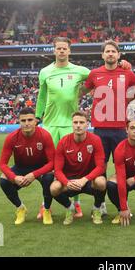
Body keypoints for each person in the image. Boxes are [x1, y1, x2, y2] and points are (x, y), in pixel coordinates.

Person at [82, 40, 135, 216]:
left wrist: (125, 101)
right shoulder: (94, 74)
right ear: (102, 55)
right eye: (107, 51)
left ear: (119, 55)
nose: (111, 54)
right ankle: (100, 204)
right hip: (100, 129)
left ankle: (123, 203)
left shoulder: (127, 73)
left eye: (114, 51)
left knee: (122, 167)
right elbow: (83, 90)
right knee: (101, 167)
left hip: (120, 128)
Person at [36, 36, 90, 218]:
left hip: (70, 124)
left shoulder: (79, 70)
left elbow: (97, 77)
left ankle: (77, 204)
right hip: (50, 124)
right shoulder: (45, 72)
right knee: (48, 169)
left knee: (74, 166)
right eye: (58, 48)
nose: (61, 51)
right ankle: (45, 206)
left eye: (64, 48)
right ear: (54, 50)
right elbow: (42, 97)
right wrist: (37, 116)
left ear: (69, 51)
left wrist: (82, 91)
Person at [0, 107, 56, 225]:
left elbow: (52, 162)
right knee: (3, 180)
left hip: (41, 167)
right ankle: (20, 208)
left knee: (49, 177)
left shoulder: (45, 135)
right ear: (19, 122)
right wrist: (14, 177)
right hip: (21, 167)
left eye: (30, 120)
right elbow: (2, 164)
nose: (27, 123)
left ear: (35, 121)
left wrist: (34, 175)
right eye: (23, 121)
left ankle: (46, 209)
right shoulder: (11, 138)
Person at [50, 111, 107, 225]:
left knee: (101, 182)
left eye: (81, 122)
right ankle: (70, 207)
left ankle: (96, 209)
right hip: (70, 181)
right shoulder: (63, 142)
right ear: (72, 124)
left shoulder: (95, 140)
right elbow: (58, 170)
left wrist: (84, 179)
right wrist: (67, 182)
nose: (78, 125)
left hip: (88, 180)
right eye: (75, 122)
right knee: (54, 188)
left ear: (87, 124)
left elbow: (100, 167)